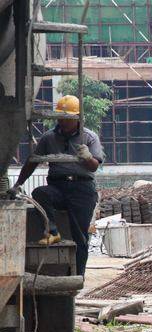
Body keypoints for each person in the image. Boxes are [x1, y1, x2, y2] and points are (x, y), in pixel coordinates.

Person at [8, 95, 104, 276]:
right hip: (58, 187)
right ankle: (52, 231)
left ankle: (78, 277)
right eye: (60, 117)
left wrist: (87, 158)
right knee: (40, 193)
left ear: (77, 118)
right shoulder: (48, 138)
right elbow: (32, 162)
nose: (63, 122)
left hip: (82, 189)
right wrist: (18, 184)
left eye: (68, 118)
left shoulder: (89, 137)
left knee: (80, 237)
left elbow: (94, 166)